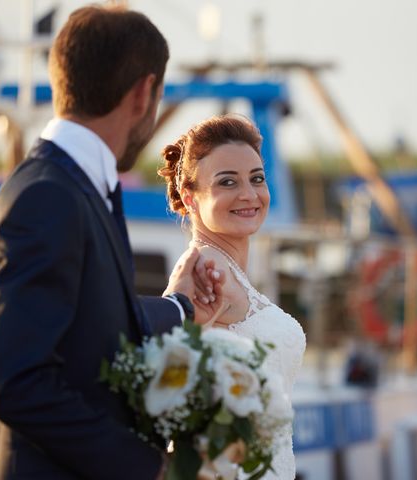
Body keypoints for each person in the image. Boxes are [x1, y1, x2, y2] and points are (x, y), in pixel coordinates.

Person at [0, 6, 223, 480]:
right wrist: (152, 469)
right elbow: (18, 383)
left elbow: (88, 329)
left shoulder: (69, 187)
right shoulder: (48, 197)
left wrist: (181, 307)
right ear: (144, 92)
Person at [158, 114, 307, 479]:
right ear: (191, 199)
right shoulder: (207, 270)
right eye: (228, 182)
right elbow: (167, 370)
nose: (249, 194)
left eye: (257, 179)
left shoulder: (230, 270)